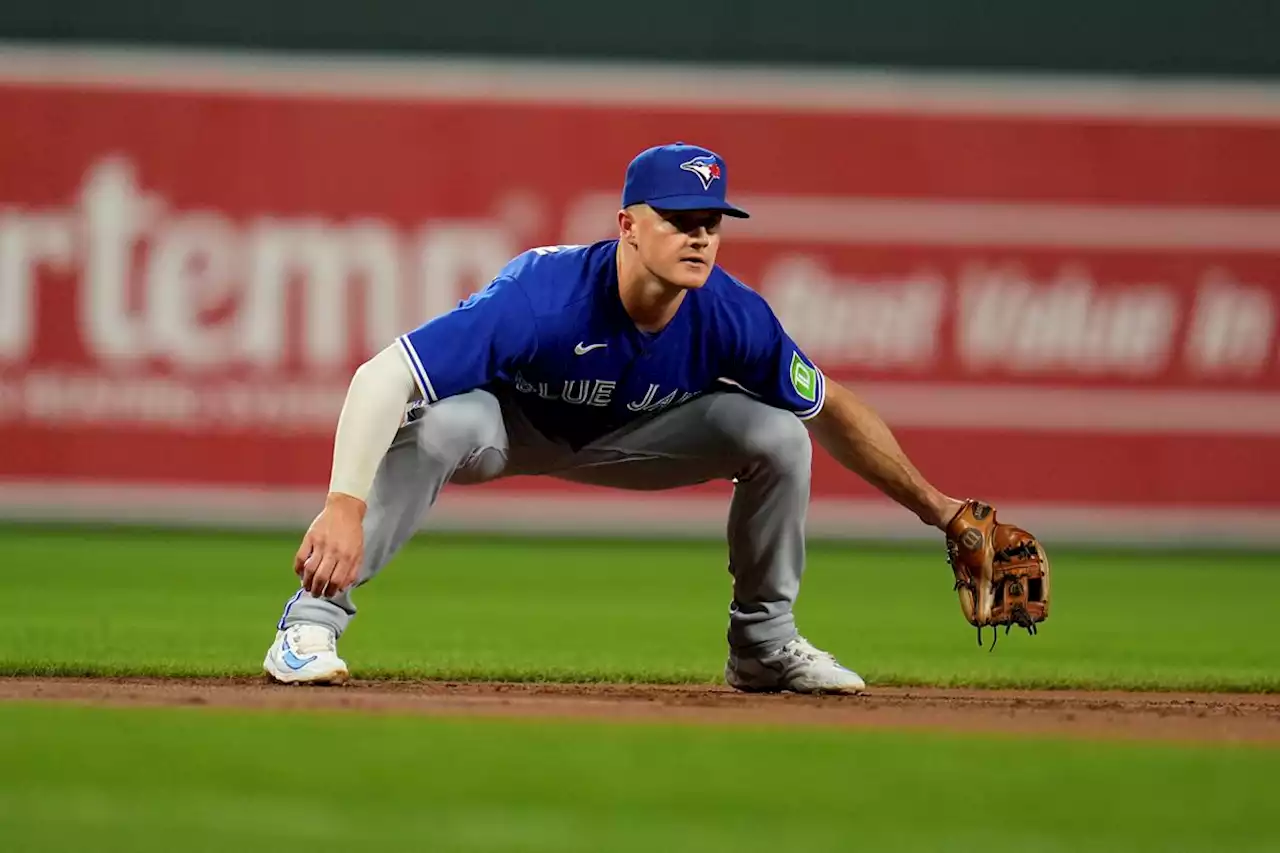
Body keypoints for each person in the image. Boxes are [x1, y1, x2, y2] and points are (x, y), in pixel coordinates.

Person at [263, 142, 963, 694]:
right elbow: (383, 376)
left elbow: (832, 407)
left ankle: (763, 646)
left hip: (636, 437)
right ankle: (309, 625)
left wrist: (945, 512)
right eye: (678, 220)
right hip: (508, 429)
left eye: (709, 223)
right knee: (443, 423)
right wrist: (343, 505)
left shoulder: (732, 314)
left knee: (779, 432)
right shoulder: (544, 294)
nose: (698, 238)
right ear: (627, 225)